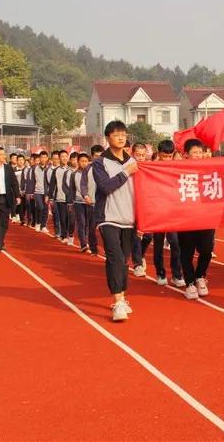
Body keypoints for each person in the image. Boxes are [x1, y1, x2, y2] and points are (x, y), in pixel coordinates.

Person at [92, 121, 139, 322]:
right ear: (107, 138)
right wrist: (126, 172)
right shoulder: (100, 163)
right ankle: (118, 300)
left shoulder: (134, 161)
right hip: (108, 217)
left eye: (123, 134)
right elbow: (105, 187)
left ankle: (122, 296)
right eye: (116, 134)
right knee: (115, 257)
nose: (121, 137)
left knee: (125, 260)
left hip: (129, 219)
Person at [141, 140, 185, 286]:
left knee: (176, 243)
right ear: (158, 154)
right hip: (158, 212)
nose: (167, 158)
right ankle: (160, 273)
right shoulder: (152, 168)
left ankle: (177, 274)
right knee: (158, 244)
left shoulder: (176, 168)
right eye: (164, 156)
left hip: (172, 212)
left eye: (169, 156)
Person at [177, 139, 216, 300]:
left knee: (207, 249)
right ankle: (190, 283)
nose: (199, 155)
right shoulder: (177, 170)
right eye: (195, 152)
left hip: (205, 216)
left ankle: (200, 276)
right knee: (187, 251)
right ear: (186, 155)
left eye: (200, 152)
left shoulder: (209, 170)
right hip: (185, 217)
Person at [80, 145, 105, 256]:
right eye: (96, 156)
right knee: (91, 228)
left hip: (104, 204)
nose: (98, 158)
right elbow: (83, 184)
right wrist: (85, 196)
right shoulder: (87, 169)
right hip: (91, 203)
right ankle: (94, 249)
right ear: (92, 156)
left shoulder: (107, 168)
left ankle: (108, 249)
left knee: (105, 229)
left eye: (101, 156)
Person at [130, 143, 149, 277]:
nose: (141, 158)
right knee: (136, 236)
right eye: (138, 155)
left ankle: (141, 254)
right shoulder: (129, 168)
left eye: (143, 155)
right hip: (131, 207)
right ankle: (137, 264)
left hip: (146, 208)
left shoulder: (150, 168)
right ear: (133, 154)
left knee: (148, 236)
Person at [49, 150, 72, 243]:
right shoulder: (56, 171)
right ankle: (64, 235)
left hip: (71, 198)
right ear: (59, 158)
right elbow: (52, 185)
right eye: (62, 156)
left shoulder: (71, 170)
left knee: (70, 219)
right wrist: (50, 197)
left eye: (66, 156)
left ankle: (69, 234)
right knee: (63, 217)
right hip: (60, 198)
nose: (64, 158)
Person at [71, 152, 92, 252]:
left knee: (89, 224)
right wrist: (70, 202)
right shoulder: (74, 174)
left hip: (90, 202)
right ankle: (83, 243)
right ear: (78, 162)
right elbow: (72, 189)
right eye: (82, 161)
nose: (84, 163)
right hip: (78, 202)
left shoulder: (92, 174)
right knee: (81, 223)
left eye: (86, 161)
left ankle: (87, 240)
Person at [33, 151, 51, 233]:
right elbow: (32, 180)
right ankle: (38, 223)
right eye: (41, 157)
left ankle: (43, 225)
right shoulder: (35, 168)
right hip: (37, 191)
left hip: (46, 192)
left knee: (45, 209)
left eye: (45, 157)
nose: (43, 159)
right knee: (40, 207)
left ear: (47, 158)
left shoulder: (50, 169)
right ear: (39, 158)